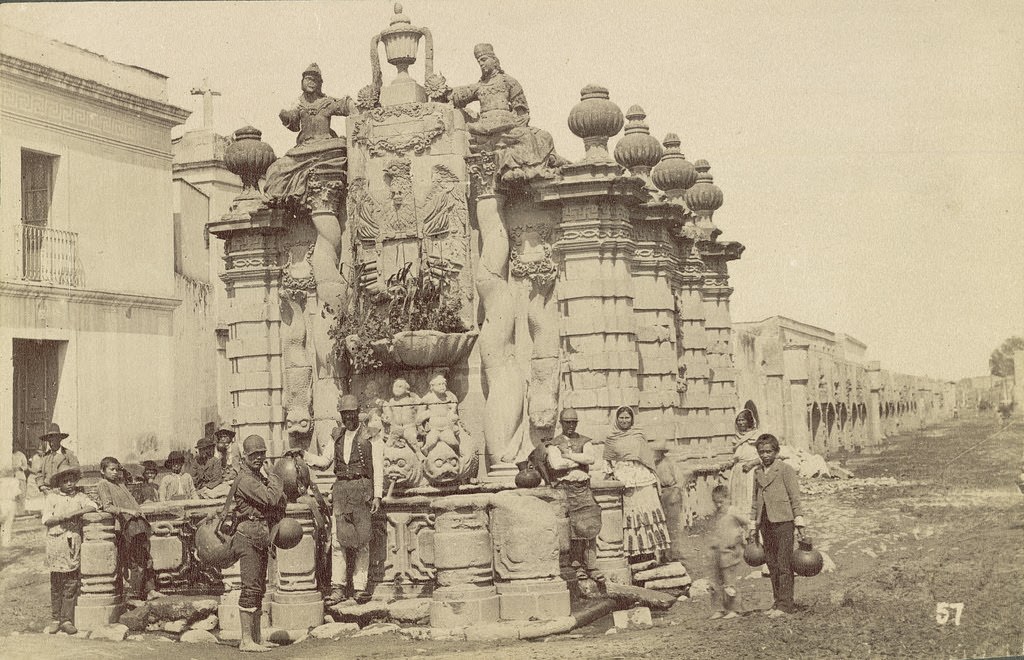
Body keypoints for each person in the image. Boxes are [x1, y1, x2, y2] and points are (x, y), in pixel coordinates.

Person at [305, 394, 384, 605]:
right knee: (338, 541)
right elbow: (323, 462)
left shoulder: (371, 435)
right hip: (341, 491)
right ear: (341, 415)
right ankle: (337, 587)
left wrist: (378, 495)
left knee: (362, 541)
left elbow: (378, 467)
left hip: (362, 490)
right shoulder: (336, 436)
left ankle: (360, 588)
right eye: (344, 414)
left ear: (358, 414)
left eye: (351, 413)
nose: (348, 417)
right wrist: (303, 455)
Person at [451, 43, 565, 182]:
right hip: (487, 127)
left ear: (494, 60)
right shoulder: (479, 86)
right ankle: (531, 170)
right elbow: (459, 96)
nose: (481, 64)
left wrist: (517, 119)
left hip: (508, 124)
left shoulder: (509, 82)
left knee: (544, 136)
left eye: (484, 59)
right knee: (526, 137)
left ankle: (543, 164)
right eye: (479, 61)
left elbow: (521, 111)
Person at [264, 63, 353, 209]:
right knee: (275, 169)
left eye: (315, 80)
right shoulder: (298, 104)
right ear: (302, 82)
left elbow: (344, 106)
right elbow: (294, 125)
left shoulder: (326, 102)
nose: (311, 82)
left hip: (325, 145)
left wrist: (353, 105)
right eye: (308, 79)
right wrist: (286, 116)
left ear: (319, 84)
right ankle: (277, 199)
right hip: (303, 149)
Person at [228, 435, 286, 653]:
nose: (259, 458)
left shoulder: (255, 477)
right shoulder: (246, 480)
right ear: (245, 456)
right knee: (250, 588)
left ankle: (257, 638)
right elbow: (271, 499)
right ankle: (246, 640)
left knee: (259, 589)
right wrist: (273, 475)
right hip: (248, 538)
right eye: (254, 454)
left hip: (259, 537)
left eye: (262, 453)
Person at [602, 405, 671, 561]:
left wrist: (652, 474)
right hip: (624, 477)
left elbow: (647, 457)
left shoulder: (638, 435)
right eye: (621, 418)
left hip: (642, 475)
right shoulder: (611, 438)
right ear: (617, 419)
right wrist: (611, 476)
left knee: (648, 511)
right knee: (631, 514)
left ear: (632, 419)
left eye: (627, 417)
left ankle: (653, 552)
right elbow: (608, 461)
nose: (624, 420)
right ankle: (634, 555)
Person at [748, 434, 806, 617]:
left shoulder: (785, 470)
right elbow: (755, 501)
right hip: (765, 522)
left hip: (784, 521)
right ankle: (777, 601)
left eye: (768, 451)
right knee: (771, 563)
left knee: (784, 563)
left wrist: (799, 523)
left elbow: (794, 498)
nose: (765, 455)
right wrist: (753, 524)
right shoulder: (757, 473)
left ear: (776, 452)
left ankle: (786, 605)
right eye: (761, 452)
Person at [546, 408, 604, 584]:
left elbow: (591, 459)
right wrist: (577, 460)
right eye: (567, 422)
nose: (570, 425)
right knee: (572, 530)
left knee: (590, 526)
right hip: (566, 490)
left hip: (583, 489)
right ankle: (577, 566)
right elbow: (556, 465)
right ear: (561, 423)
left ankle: (592, 567)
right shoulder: (554, 443)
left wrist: (569, 456)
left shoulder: (585, 441)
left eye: (573, 422)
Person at [94, 456, 162, 602]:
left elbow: (129, 476)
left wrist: (121, 468)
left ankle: (150, 590)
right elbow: (108, 506)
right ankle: (134, 596)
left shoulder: (119, 482)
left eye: (116, 469)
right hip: (126, 526)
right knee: (135, 562)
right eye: (111, 469)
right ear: (102, 471)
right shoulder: (103, 484)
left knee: (146, 557)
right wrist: (128, 511)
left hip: (137, 524)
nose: (114, 472)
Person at [41, 467, 97, 635]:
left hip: (72, 542)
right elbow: (46, 519)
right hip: (56, 542)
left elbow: (93, 506)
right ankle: (55, 619)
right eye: (65, 481)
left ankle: (67, 619)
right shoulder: (52, 498)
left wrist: (75, 512)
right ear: (59, 483)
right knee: (56, 583)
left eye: (72, 480)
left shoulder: (80, 497)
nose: (70, 484)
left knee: (71, 582)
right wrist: (61, 518)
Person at [708, 484, 750, 620]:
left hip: (731, 551)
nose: (719, 505)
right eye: (716, 502)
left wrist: (742, 536)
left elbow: (747, 522)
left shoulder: (733, 511)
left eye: (721, 502)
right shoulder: (717, 514)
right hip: (718, 551)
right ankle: (719, 608)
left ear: (728, 499)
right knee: (715, 582)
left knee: (729, 582)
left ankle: (735, 608)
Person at [653, 441, 686, 561]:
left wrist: (674, 495)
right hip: (660, 495)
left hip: (672, 493)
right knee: (661, 525)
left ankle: (674, 554)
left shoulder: (670, 463)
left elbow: (680, 481)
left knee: (673, 526)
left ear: (662, 452)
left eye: (658, 452)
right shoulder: (653, 465)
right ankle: (663, 554)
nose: (655, 454)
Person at [728, 409, 761, 512]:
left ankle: (751, 521)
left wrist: (751, 463)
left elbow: (765, 455)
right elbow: (736, 456)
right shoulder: (736, 437)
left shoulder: (757, 435)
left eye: (743, 420)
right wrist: (731, 462)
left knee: (749, 496)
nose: (741, 423)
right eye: (738, 420)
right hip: (737, 471)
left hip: (752, 470)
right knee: (737, 497)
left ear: (749, 421)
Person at [37, 423, 78, 494]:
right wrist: (41, 486)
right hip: (48, 492)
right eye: (49, 441)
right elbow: (39, 473)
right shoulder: (46, 456)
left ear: (59, 440)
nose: (51, 444)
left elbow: (77, 472)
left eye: (54, 440)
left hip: (64, 492)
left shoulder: (68, 454)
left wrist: (68, 487)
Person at [0, 468, 22, 547]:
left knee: (1, 522)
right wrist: (19, 504)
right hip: (10, 502)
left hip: (1, 502)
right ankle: (5, 542)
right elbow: (17, 494)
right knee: (8, 523)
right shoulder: (15, 481)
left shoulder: (1, 481)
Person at [12, 449, 28, 514]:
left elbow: (25, 466)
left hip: (20, 477)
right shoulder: (8, 454)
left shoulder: (21, 455)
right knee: (13, 495)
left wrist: (20, 468)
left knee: (21, 495)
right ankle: (15, 512)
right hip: (12, 478)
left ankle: (21, 511)